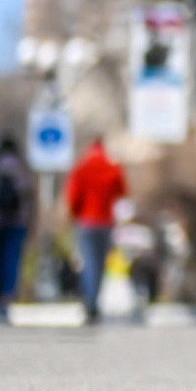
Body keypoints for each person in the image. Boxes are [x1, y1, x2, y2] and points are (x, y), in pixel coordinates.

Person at [64, 136, 126, 324]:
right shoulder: (113, 168)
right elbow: (122, 191)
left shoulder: (82, 168)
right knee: (99, 264)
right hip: (105, 222)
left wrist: (75, 215)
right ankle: (93, 300)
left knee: (88, 261)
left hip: (86, 221)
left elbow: (73, 197)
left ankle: (89, 301)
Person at [0, 137, 33, 323]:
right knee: (11, 261)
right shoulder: (22, 168)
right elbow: (29, 197)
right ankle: (6, 300)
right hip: (17, 223)